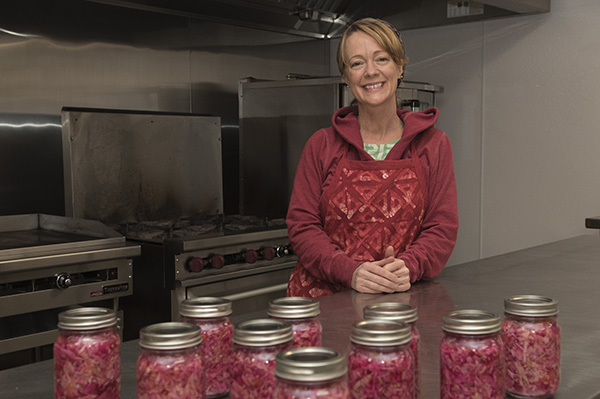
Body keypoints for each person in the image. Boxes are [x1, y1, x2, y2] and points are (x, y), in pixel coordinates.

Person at [286, 17, 459, 298]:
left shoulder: (433, 145)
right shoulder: (321, 144)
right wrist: (349, 271)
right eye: (356, 63)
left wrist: (409, 266)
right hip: (321, 307)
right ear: (346, 76)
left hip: (397, 303)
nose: (370, 71)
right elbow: (302, 226)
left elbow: (442, 227)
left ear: (400, 67)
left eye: (381, 59)